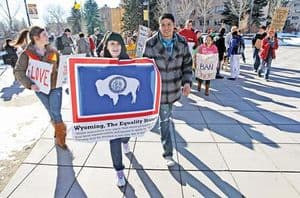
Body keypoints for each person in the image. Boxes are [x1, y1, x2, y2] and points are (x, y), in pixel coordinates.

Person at [143, 13, 192, 167]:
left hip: (172, 89)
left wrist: (187, 82)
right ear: (159, 26)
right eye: (163, 24)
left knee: (165, 120)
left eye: (168, 24)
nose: (166, 28)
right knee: (158, 121)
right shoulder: (151, 43)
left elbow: (187, 64)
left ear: (174, 25)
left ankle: (167, 153)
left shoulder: (182, 42)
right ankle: (125, 140)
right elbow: (145, 67)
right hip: (155, 90)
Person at [13, 26, 67, 149]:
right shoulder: (26, 54)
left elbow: (60, 65)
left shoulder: (53, 52)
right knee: (51, 112)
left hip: (55, 87)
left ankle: (61, 138)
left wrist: (64, 69)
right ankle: (58, 130)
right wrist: (30, 85)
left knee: (56, 112)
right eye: (44, 35)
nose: (48, 36)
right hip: (40, 89)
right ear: (36, 38)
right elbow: (18, 71)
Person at [101, 32, 130, 187]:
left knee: (126, 135)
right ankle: (119, 171)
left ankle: (126, 141)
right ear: (106, 46)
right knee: (114, 139)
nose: (115, 47)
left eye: (118, 43)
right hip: (110, 110)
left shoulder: (130, 63)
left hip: (126, 109)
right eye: (112, 43)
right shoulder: (98, 64)